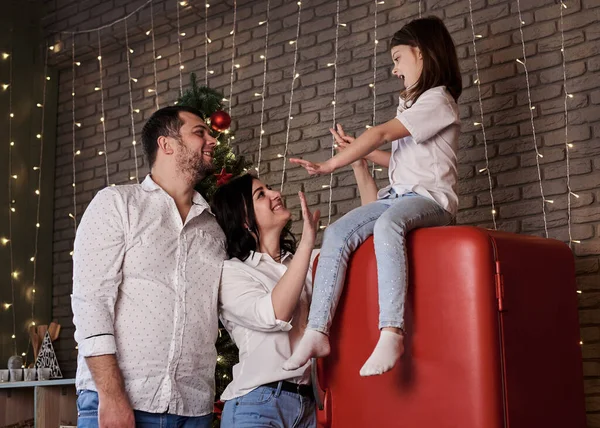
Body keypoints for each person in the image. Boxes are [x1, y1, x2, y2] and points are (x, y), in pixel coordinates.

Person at [284, 16, 462, 377]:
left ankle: (391, 330)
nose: (394, 69)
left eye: (398, 58)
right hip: (397, 194)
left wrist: (331, 164)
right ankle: (318, 330)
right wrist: (359, 153)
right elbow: (395, 157)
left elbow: (380, 134)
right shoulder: (412, 107)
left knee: (387, 225)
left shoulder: (438, 99)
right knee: (336, 234)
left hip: (430, 199)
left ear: (422, 53)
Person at [72, 105, 226, 428]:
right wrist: (112, 397)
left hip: (193, 411)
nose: (212, 140)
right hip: (122, 404)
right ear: (166, 144)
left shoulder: (214, 230)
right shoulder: (117, 205)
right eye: (200, 132)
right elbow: (91, 305)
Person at [211, 174, 320, 428]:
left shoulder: (301, 261)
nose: (275, 194)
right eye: (261, 194)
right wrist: (306, 244)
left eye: (269, 188)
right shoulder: (233, 272)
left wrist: (359, 164)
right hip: (258, 405)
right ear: (244, 219)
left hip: (309, 408)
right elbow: (274, 314)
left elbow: (361, 248)